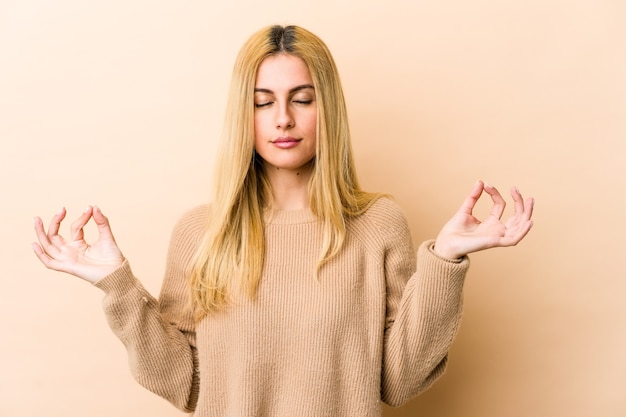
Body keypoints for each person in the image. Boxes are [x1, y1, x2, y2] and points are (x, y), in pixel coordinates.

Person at [32, 25, 534, 417]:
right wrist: (117, 286)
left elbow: (397, 382)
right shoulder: (200, 233)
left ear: (327, 107)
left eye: (302, 98)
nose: (282, 120)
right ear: (242, 115)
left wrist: (445, 261)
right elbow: (184, 385)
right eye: (262, 102)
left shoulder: (377, 225)